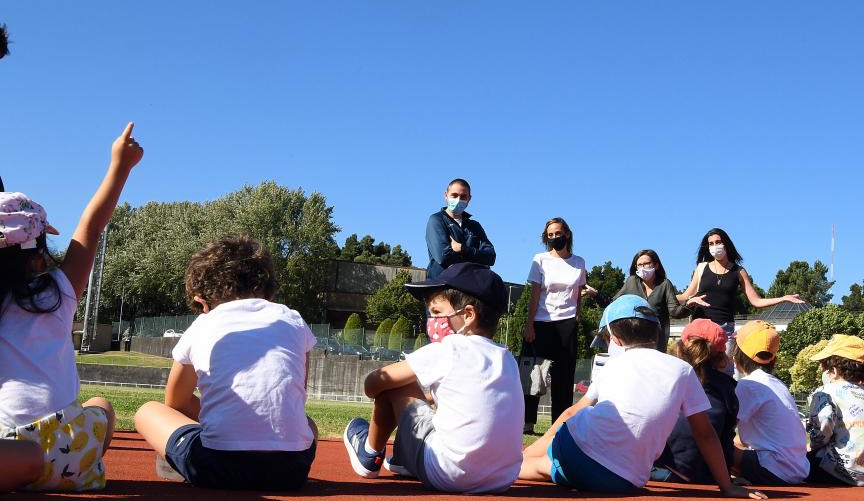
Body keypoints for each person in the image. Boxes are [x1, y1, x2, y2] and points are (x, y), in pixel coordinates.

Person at [0, 122, 142, 490]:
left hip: (11, 448)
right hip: (70, 454)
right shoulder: (58, 294)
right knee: (102, 406)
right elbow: (91, 227)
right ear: (36, 259)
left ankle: (22, 467)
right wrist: (120, 166)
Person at [519, 295, 765, 498]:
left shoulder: (616, 364)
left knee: (546, 456)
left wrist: (524, 452)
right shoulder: (683, 370)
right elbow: (705, 433)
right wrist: (727, 486)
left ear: (615, 339)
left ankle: (511, 463)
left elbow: (572, 413)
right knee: (548, 467)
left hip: (577, 452)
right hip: (625, 481)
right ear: (657, 334)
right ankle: (518, 464)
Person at [134, 234, 318, 490]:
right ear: (269, 291)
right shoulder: (293, 319)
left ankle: (178, 461)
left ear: (201, 302)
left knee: (148, 411)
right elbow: (297, 394)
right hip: (292, 470)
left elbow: (175, 402)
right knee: (307, 423)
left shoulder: (204, 323)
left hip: (216, 467)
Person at [342, 262, 524, 494]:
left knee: (397, 384)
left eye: (437, 313)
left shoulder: (451, 348)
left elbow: (376, 381)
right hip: (502, 478)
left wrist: (377, 392)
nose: (432, 320)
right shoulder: (507, 359)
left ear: (468, 314)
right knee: (422, 399)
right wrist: (426, 398)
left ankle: (369, 454)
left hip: (448, 473)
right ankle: (402, 458)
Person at [679, 228, 804, 370]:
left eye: (718, 242)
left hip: (724, 329)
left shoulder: (738, 271)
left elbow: (755, 301)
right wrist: (659, 295)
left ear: (726, 244)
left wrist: (783, 298)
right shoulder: (701, 268)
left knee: (723, 371)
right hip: (699, 327)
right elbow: (685, 296)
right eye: (711, 243)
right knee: (695, 369)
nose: (715, 246)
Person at [652, 319, 738, 484]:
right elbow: (726, 439)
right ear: (721, 356)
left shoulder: (667, 377)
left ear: (681, 348)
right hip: (706, 477)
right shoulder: (728, 387)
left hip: (661, 471)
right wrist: (726, 478)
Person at [522, 217, 586, 432]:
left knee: (564, 375)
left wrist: (578, 315)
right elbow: (534, 294)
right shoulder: (540, 259)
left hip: (567, 323)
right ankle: (528, 421)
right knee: (533, 372)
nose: (554, 237)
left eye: (557, 233)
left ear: (566, 234)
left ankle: (559, 424)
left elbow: (579, 292)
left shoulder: (579, 262)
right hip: (541, 321)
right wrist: (529, 324)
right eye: (550, 235)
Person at [730, 320, 809, 485]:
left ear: (737, 353)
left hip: (772, 468)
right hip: (797, 469)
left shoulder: (749, 385)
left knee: (713, 448)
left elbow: (723, 430)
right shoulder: (777, 384)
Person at [806, 334, 864, 486]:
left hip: (837, 472)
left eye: (826, 370)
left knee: (794, 463)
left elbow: (825, 421)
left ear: (834, 371)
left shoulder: (826, 390)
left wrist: (812, 445)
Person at [615, 249, 690, 352]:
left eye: (646, 264)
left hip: (657, 341)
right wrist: (596, 294)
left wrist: (689, 305)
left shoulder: (665, 284)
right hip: (634, 341)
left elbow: (674, 311)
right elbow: (614, 303)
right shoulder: (631, 282)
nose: (642, 267)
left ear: (656, 265)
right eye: (639, 265)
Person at [424, 178, 495, 279]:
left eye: (463, 197)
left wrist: (463, 249)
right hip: (442, 286)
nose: (458, 200)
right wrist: (478, 261)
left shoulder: (475, 226)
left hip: (469, 286)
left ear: (469, 198)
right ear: (446, 195)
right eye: (454, 195)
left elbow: (491, 257)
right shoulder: (437, 220)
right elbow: (444, 258)